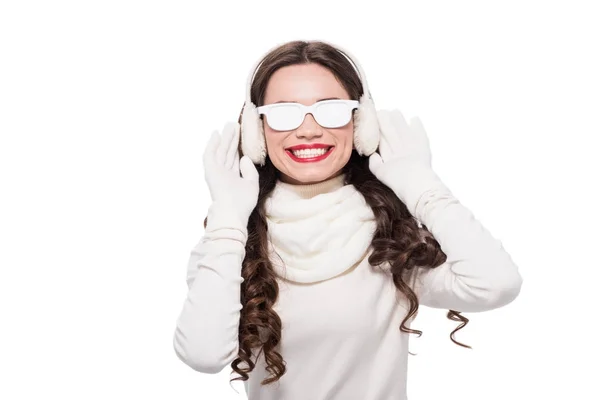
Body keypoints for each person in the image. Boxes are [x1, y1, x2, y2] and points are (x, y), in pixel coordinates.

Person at [172, 39, 523, 400]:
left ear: (361, 122)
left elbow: (496, 284)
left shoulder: (390, 234)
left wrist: (424, 189)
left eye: (331, 110)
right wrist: (228, 218)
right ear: (255, 128)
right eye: (283, 114)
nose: (308, 129)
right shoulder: (229, 241)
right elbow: (203, 354)